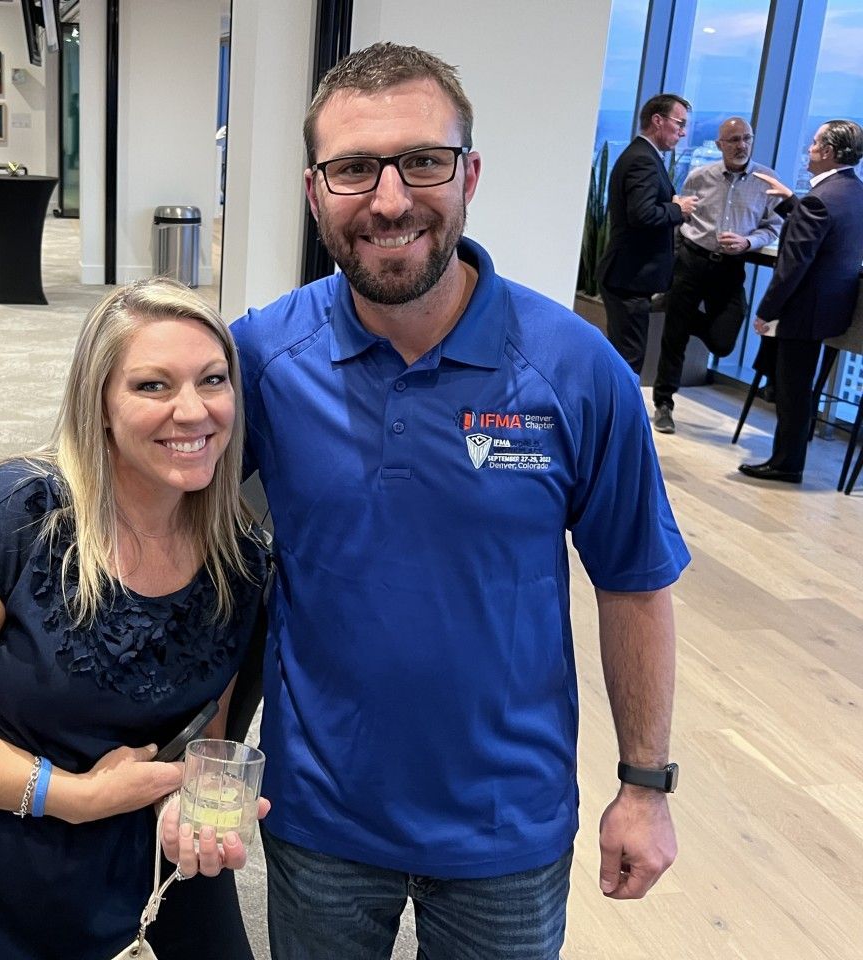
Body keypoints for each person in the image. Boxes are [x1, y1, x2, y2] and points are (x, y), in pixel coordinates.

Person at [230, 43, 690, 959]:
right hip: (318, 814)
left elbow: (634, 583)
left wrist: (645, 785)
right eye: (354, 168)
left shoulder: (575, 371)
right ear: (315, 190)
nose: (390, 200)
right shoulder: (258, 360)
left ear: (469, 174)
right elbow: (178, 540)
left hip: (505, 826)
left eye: (423, 162)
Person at [0, 278, 270, 959]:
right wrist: (71, 795)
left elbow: (206, 730)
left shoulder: (240, 558)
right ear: (99, 404)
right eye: (153, 386)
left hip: (128, 850)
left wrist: (190, 800)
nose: (192, 411)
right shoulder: (13, 519)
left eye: (212, 380)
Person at [738, 120, 863, 484]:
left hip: (804, 310)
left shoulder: (819, 200)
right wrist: (792, 203)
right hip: (833, 308)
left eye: (813, 144)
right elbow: (828, 232)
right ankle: (788, 458)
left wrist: (765, 313)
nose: (808, 150)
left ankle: (786, 463)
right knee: (797, 386)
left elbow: (792, 267)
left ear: (828, 152)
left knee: (793, 390)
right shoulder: (853, 191)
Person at [650, 117, 784, 433]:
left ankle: (675, 309)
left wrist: (748, 242)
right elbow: (681, 218)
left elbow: (774, 226)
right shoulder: (699, 177)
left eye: (746, 139)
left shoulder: (767, 181)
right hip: (692, 260)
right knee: (674, 338)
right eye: (733, 139)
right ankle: (664, 403)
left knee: (724, 342)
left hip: (730, 267)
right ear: (719, 144)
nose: (741, 145)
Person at [599, 94, 699, 373]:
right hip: (629, 278)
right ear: (657, 120)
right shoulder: (642, 159)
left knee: (626, 355)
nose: (683, 131)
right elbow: (641, 215)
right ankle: (620, 417)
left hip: (630, 277)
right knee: (629, 361)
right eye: (679, 123)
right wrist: (678, 209)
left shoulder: (643, 156)